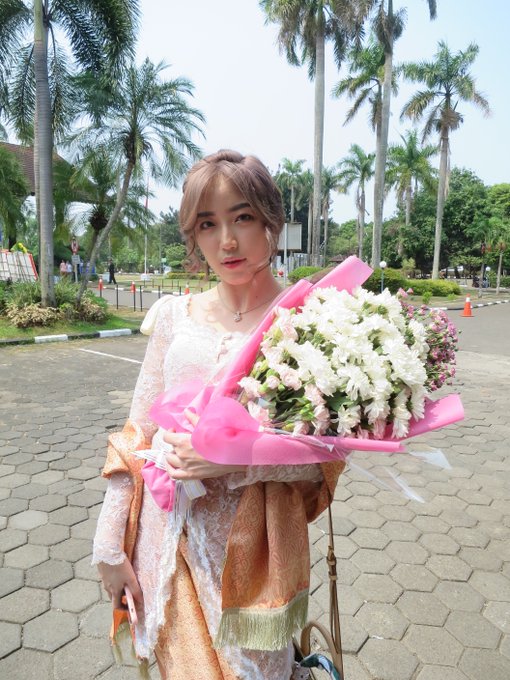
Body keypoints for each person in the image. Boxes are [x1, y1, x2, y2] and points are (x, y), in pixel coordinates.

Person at [92, 150, 344, 680]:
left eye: (242, 217)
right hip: (166, 543)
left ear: (272, 220)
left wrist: (236, 459)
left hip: (253, 559)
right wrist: (109, 545)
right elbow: (139, 432)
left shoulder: (311, 323)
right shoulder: (174, 317)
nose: (226, 241)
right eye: (208, 224)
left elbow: (326, 459)